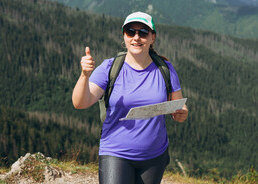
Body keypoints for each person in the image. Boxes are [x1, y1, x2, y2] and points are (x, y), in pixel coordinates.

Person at [72, 11, 188, 184]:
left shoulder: (165, 69)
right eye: (130, 32)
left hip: (154, 155)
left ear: (152, 38)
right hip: (115, 152)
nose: (136, 37)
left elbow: (178, 104)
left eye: (143, 32)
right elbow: (80, 103)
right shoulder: (109, 68)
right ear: (124, 37)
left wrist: (182, 113)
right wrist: (84, 75)